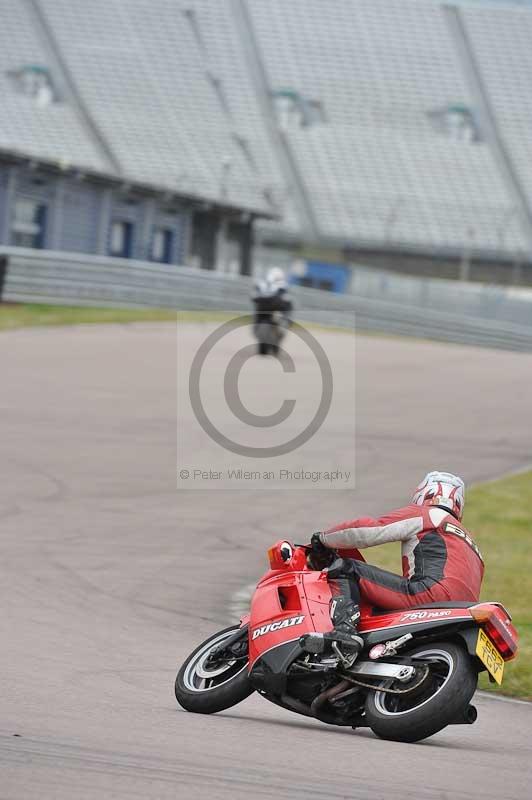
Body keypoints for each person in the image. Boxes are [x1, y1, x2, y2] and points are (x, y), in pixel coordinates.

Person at [300, 471, 484, 657]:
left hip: (428, 595)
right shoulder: (473, 545)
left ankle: (343, 633)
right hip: (462, 611)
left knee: (347, 568)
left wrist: (323, 539)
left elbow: (369, 530)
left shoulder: (429, 515)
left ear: (423, 494)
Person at [252, 267, 293, 355]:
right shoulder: (262, 284)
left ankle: (278, 337)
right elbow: (254, 295)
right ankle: (258, 330)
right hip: (263, 309)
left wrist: (287, 315)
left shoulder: (283, 286)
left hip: (277, 310)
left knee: (283, 320)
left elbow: (288, 301)